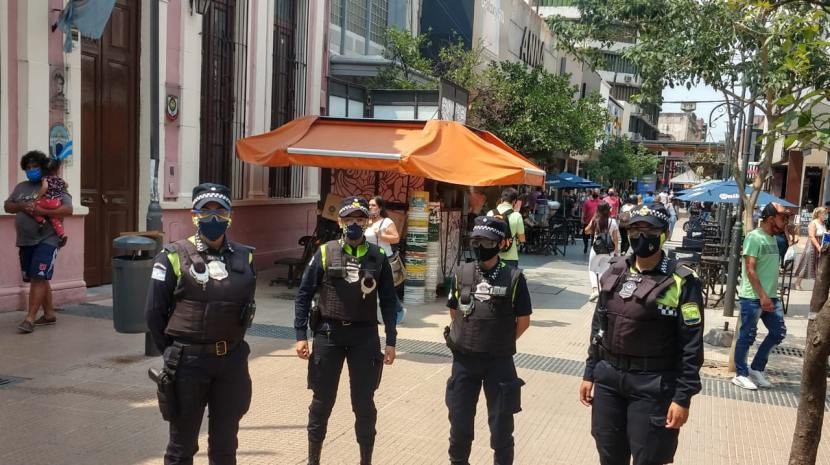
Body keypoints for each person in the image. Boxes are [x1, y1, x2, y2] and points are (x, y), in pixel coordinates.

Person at [580, 204, 704, 465]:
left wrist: (682, 397)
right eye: (635, 230)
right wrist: (590, 372)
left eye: (650, 230)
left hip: (653, 384)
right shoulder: (615, 270)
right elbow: (599, 325)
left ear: (665, 233)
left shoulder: (682, 281)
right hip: (609, 379)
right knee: (608, 454)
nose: (641, 236)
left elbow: (691, 346)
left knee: (649, 457)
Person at [145, 183, 257, 465]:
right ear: (194, 216)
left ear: (230, 216)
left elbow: (246, 305)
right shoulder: (172, 256)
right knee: (181, 447)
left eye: (220, 211)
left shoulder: (245, 256)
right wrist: (174, 352)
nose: (213, 218)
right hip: (188, 363)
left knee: (225, 446)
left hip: (231, 362)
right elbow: (154, 313)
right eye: (205, 211)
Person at [294, 196, 398, 465]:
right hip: (329, 334)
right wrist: (300, 336)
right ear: (340, 221)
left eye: (360, 219)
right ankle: (313, 459)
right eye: (349, 219)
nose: (354, 224)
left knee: (364, 404)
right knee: (321, 402)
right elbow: (304, 294)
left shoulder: (377, 256)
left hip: (365, 338)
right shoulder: (325, 251)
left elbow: (389, 301)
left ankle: (366, 460)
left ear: (367, 222)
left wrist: (391, 340)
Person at [444, 216, 532, 465]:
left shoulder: (514, 277)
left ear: (502, 244)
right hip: (464, 361)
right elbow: (454, 311)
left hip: (498, 363)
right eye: (476, 241)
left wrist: (498, 341)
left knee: (501, 426)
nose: (481, 246)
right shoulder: (462, 272)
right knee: (459, 423)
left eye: (488, 241)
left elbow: (524, 321)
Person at [5, 150, 73, 334]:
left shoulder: (54, 184)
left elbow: (68, 209)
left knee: (39, 276)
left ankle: (29, 319)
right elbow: (7, 206)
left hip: (48, 238)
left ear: (42, 167)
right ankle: (49, 314)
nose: (31, 170)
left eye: (35, 166)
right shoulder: (21, 187)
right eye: (28, 167)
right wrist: (21, 206)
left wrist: (43, 212)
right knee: (38, 276)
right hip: (25, 241)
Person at [732, 202, 791, 390]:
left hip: (770, 296)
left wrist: (769, 296)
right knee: (747, 335)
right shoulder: (754, 237)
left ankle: (756, 368)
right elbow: (750, 270)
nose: (786, 221)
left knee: (778, 332)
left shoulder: (774, 238)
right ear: (771, 218)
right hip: (753, 297)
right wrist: (763, 296)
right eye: (783, 217)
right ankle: (740, 374)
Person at [366, 195, 407, 323]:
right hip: (369, 259)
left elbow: (396, 238)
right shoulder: (366, 222)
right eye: (369, 205)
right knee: (369, 286)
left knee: (385, 288)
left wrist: (381, 235)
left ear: (380, 208)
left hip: (384, 259)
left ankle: (399, 310)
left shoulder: (386, 222)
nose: (370, 207)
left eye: (373, 205)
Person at [585, 203, 619, 302]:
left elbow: (586, 231)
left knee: (592, 269)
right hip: (609, 250)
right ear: (609, 210)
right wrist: (616, 251)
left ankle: (595, 290)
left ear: (598, 210)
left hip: (596, 249)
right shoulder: (613, 221)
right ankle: (601, 291)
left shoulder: (596, 220)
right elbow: (615, 239)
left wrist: (593, 220)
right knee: (603, 271)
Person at [32, 158, 69, 247]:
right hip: (57, 203)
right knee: (54, 219)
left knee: (32, 207)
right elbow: (66, 185)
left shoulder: (45, 178)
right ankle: (62, 235)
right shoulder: (60, 180)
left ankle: (42, 221)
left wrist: (36, 198)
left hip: (48, 201)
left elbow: (44, 187)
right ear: (56, 170)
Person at [487, 188, 526, 268]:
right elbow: (522, 238)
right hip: (510, 257)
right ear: (514, 201)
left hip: (492, 255)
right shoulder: (517, 216)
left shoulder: (490, 213)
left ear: (501, 199)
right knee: (510, 275)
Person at [794, 206, 827, 291]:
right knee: (806, 264)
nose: (826, 215)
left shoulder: (823, 224)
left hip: (821, 245)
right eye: (824, 213)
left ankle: (818, 287)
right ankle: (797, 283)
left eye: (826, 213)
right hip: (813, 246)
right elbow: (812, 236)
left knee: (820, 265)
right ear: (819, 214)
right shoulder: (813, 223)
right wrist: (818, 247)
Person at [581, 189, 602, 254]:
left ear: (599, 194)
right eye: (595, 192)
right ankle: (586, 245)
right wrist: (582, 218)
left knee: (594, 235)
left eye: (597, 192)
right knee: (585, 234)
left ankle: (592, 247)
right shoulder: (587, 202)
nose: (596, 193)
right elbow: (583, 211)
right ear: (592, 193)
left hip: (596, 222)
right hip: (587, 221)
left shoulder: (601, 202)